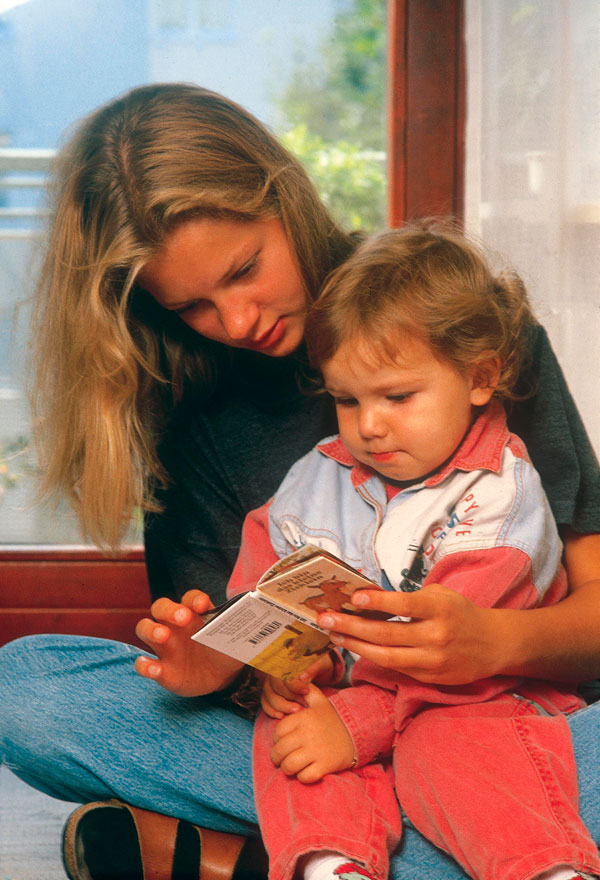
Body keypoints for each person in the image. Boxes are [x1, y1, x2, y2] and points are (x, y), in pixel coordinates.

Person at [0, 82, 598, 880]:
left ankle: (268, 855)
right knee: (28, 688)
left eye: (246, 269)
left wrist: (497, 642)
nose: (238, 320)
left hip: (503, 715)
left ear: (285, 198)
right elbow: (253, 677)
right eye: (194, 307)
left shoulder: (454, 316)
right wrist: (216, 666)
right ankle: (499, 846)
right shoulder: (200, 413)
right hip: (325, 731)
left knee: (474, 748)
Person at [221, 225, 600, 880]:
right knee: (285, 740)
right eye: (346, 400)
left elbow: (439, 660)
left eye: (397, 397)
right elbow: (262, 583)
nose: (369, 424)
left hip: (476, 703)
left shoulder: (501, 490)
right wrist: (276, 672)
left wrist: (355, 729)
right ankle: (332, 863)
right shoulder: (320, 471)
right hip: (344, 695)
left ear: (481, 378)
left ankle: (541, 867)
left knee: (445, 746)